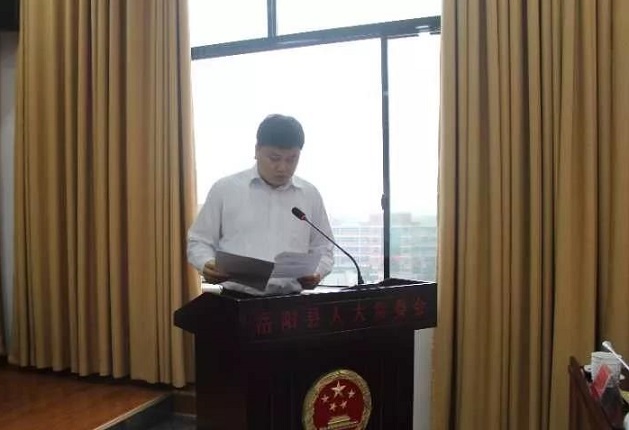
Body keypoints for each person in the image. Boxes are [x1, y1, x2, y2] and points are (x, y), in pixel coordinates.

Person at [187, 114, 334, 291]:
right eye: (274, 158)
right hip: (236, 299)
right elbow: (199, 241)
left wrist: (317, 272)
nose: (282, 167)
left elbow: (324, 247)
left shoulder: (310, 195)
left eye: (291, 159)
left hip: (291, 300)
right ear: (257, 151)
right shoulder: (225, 189)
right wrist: (206, 263)